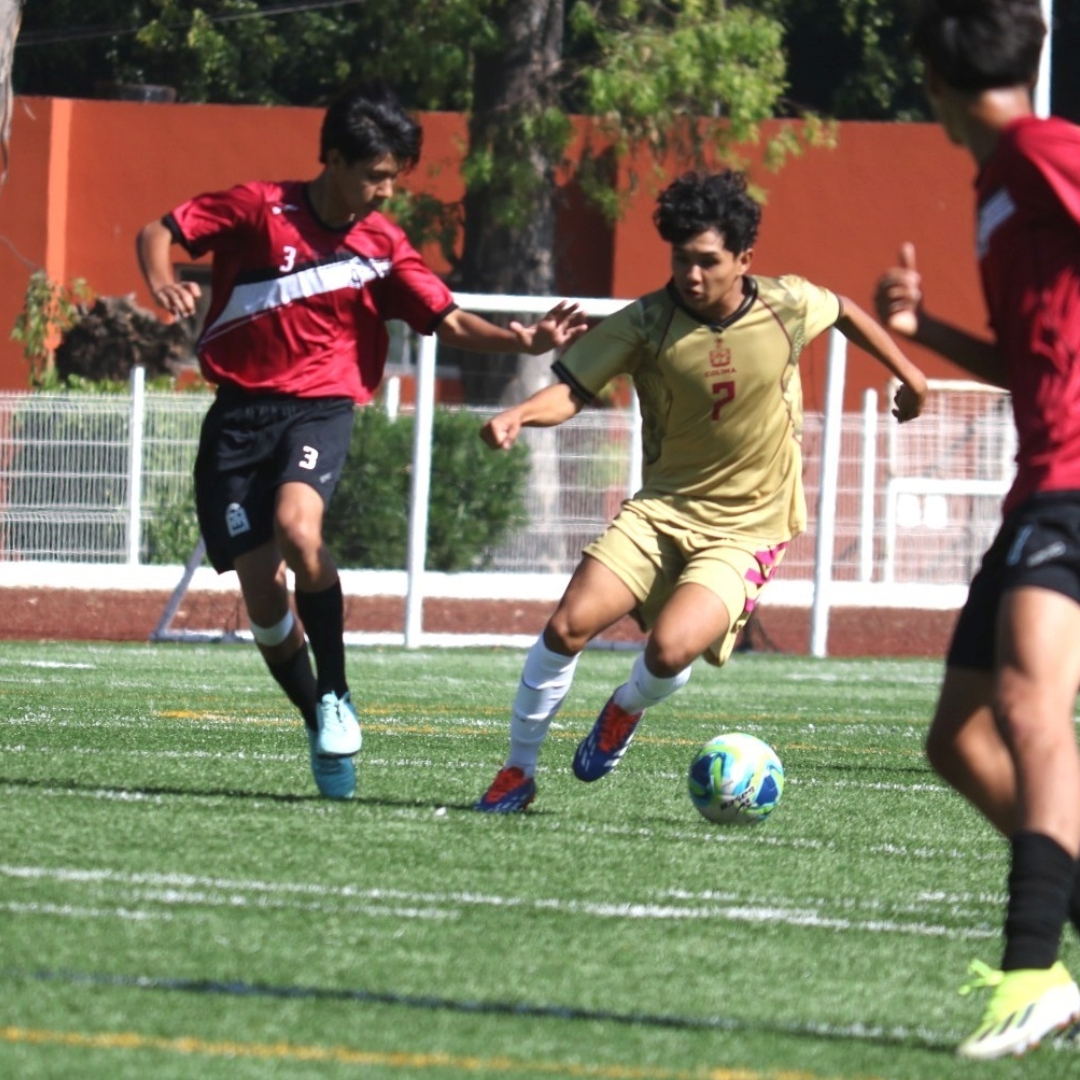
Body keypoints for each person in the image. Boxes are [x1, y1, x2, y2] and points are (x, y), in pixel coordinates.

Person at [135, 82, 586, 802]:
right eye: (375, 174)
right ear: (335, 159)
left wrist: (521, 338)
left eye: (393, 178)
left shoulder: (382, 244)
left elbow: (447, 317)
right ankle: (318, 713)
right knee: (261, 597)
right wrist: (162, 281)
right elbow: (159, 231)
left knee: (298, 531)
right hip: (236, 420)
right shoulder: (259, 208)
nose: (384, 190)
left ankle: (339, 693)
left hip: (319, 409)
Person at [475, 169, 926, 816]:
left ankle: (625, 709)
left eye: (707, 262)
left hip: (749, 529)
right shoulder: (646, 323)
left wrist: (910, 375)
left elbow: (848, 310)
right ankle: (516, 772)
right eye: (681, 260)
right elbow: (573, 390)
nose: (691, 275)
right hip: (660, 513)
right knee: (567, 626)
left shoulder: (785, 304)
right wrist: (520, 415)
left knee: (668, 648)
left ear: (744, 260)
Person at [874, 0, 1080, 1060]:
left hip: (1077, 483)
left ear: (937, 85)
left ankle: (1034, 970)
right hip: (1039, 484)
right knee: (957, 739)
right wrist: (925, 332)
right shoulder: (998, 188)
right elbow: (1028, 361)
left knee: (1027, 704)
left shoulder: (1046, 151)